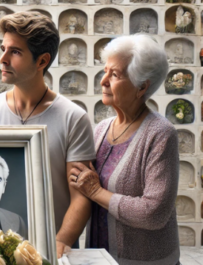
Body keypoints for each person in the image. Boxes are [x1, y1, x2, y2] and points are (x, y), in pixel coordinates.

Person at [0, 11, 96, 257]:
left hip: (48, 249)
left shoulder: (73, 117)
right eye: (3, 48)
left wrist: (59, 243)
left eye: (15, 52)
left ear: (42, 61)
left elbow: (81, 196)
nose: (3, 59)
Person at [69, 35, 180, 264]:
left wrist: (95, 191)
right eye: (105, 71)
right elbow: (84, 182)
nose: (103, 81)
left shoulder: (161, 134)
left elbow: (154, 212)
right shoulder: (100, 130)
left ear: (141, 86)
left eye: (115, 75)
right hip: (100, 257)